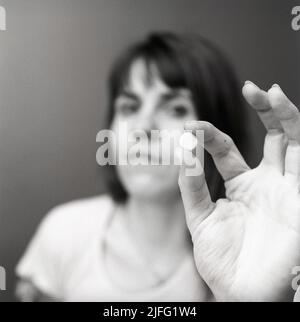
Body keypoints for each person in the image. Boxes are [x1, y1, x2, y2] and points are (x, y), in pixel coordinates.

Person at [15, 32, 300, 302]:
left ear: (216, 133)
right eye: (129, 107)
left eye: (176, 108)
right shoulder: (63, 232)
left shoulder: (249, 253)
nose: (142, 127)